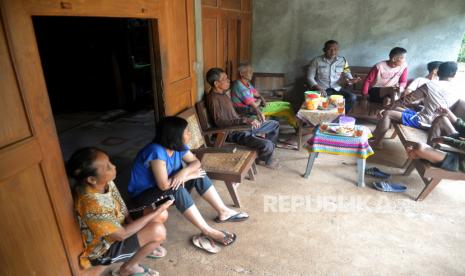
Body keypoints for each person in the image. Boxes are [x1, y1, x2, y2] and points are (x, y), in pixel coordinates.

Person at [128, 116, 248, 251]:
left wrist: (183, 173)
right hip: (143, 197)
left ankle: (223, 211)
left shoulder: (178, 147)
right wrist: (187, 176)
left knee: (199, 174)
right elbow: (164, 186)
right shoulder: (156, 151)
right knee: (178, 187)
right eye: (186, 132)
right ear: (174, 135)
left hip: (165, 188)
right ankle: (207, 230)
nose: (189, 134)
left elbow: (196, 162)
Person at [68, 147, 172, 276]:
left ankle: (144, 244)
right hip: (103, 249)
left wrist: (133, 223)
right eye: (107, 167)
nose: (114, 166)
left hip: (119, 225)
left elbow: (121, 206)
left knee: (161, 215)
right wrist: (153, 214)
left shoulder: (105, 182)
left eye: (110, 162)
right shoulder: (91, 204)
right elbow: (121, 235)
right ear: (91, 180)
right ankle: (128, 268)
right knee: (159, 231)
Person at [370, 61, 460, 149]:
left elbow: (406, 99)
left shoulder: (430, 85)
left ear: (438, 72)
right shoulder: (457, 90)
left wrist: (386, 109)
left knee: (387, 113)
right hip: (440, 123)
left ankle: (378, 142)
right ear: (454, 75)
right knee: (396, 110)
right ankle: (375, 135)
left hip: (425, 121)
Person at [205, 67, 281, 169]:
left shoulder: (223, 95)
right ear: (216, 83)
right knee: (268, 145)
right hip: (233, 133)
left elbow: (235, 110)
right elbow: (220, 122)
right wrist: (245, 120)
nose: (228, 81)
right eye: (224, 79)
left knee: (274, 125)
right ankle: (265, 156)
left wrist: (254, 111)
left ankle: (265, 156)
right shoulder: (213, 99)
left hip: (243, 126)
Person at [231, 63, 298, 129]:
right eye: (249, 71)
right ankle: (297, 127)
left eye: (252, 71)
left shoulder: (247, 83)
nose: (252, 73)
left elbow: (257, 94)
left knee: (288, 104)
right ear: (241, 73)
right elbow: (254, 105)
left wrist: (262, 99)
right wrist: (260, 109)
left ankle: (296, 125)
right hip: (251, 111)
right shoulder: (239, 86)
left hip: (258, 106)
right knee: (286, 109)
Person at [307, 40, 359, 113]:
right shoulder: (316, 61)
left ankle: (339, 115)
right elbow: (309, 77)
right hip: (321, 89)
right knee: (321, 104)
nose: (333, 52)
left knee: (352, 97)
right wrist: (318, 88)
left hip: (337, 89)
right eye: (330, 49)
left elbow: (348, 74)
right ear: (324, 50)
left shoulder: (343, 60)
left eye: (335, 49)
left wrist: (351, 80)